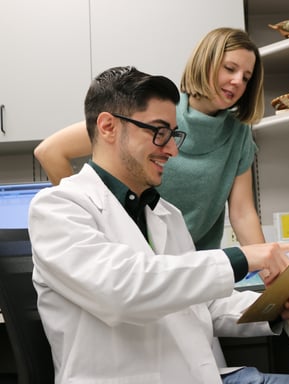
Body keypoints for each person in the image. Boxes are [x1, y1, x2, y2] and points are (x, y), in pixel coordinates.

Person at [28, 66, 289, 384]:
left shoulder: (163, 213)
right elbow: (125, 291)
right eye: (159, 132)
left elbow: (203, 303)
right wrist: (244, 257)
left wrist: (276, 306)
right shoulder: (57, 209)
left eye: (173, 134)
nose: (172, 150)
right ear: (109, 127)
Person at [34, 27, 266, 251]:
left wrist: (272, 270)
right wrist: (97, 214)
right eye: (230, 68)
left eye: (246, 77)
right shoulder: (158, 113)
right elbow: (50, 151)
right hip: (139, 257)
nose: (238, 82)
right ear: (205, 63)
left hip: (196, 265)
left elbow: (242, 212)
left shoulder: (239, 132)